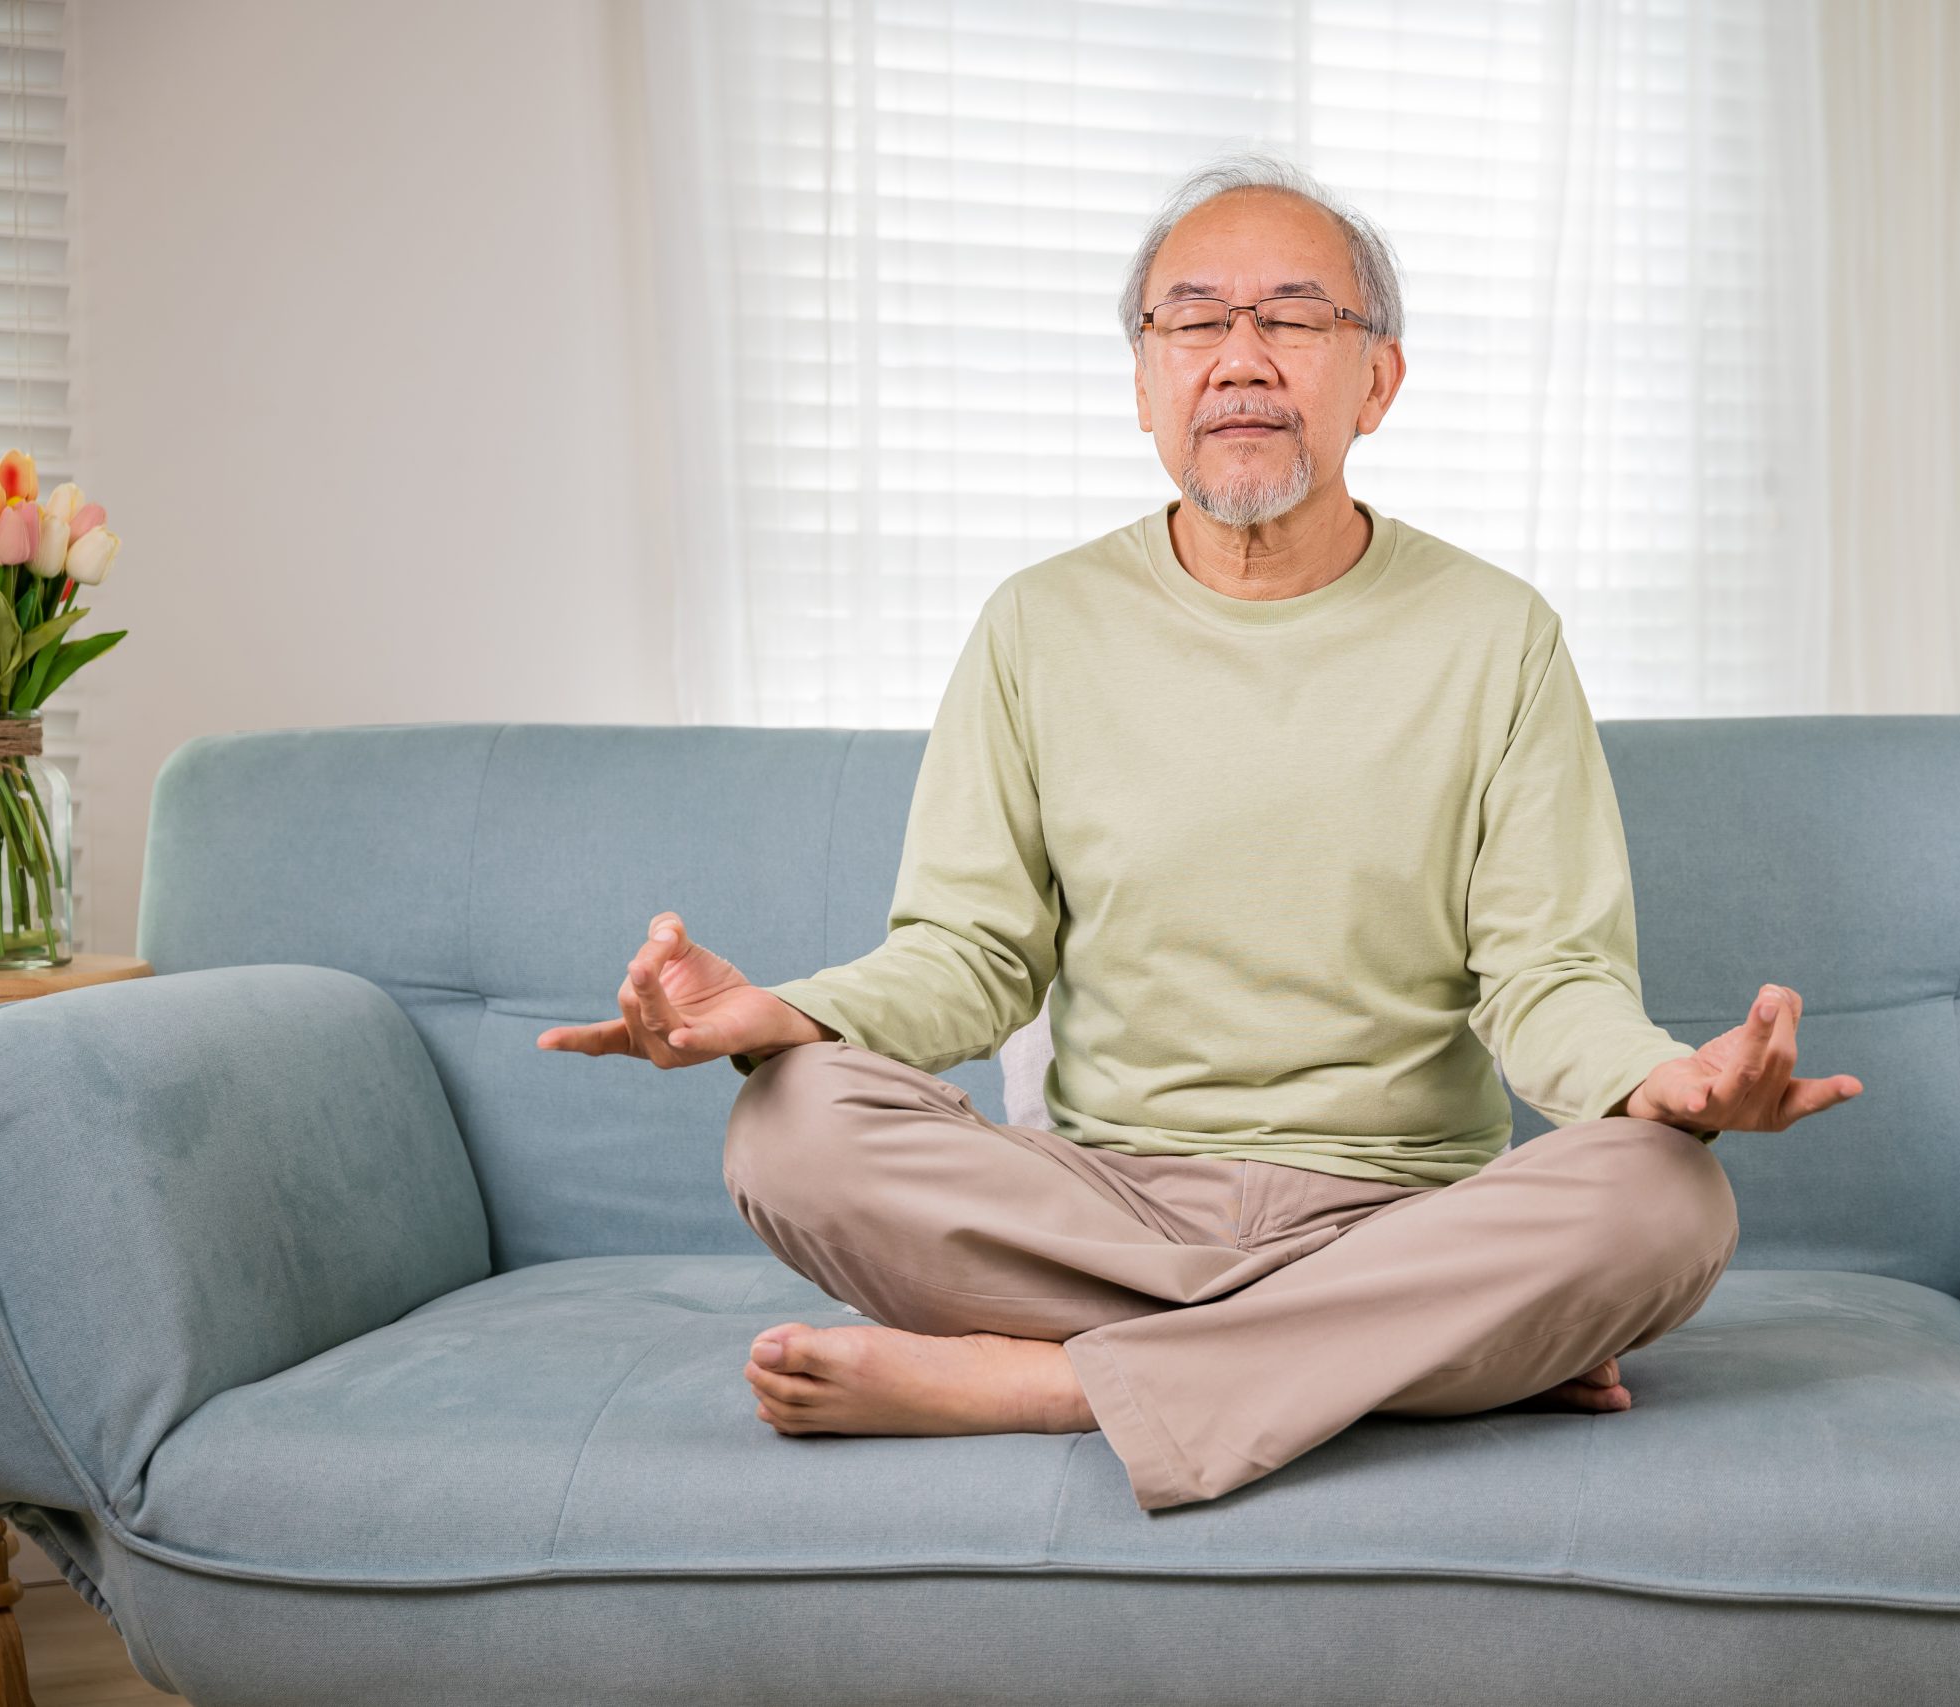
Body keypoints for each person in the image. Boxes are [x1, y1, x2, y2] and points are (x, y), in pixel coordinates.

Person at [538, 153, 1862, 1511]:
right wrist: (778, 1014)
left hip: (1398, 1216)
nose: (1242, 360)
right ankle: (1392, 1355)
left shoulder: (1499, 636)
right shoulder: (1037, 626)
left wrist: (1663, 1087)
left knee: (1667, 1202)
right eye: (1194, 322)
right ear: (1144, 383)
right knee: (788, 1126)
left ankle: (1060, 1382)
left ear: (1378, 382)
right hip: (1106, 1213)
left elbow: (1546, 978)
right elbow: (970, 957)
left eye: (1293, 320)